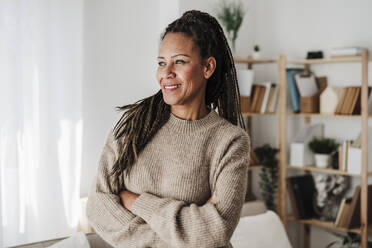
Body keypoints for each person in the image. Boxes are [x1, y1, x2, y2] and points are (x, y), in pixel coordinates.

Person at [86, 10, 251, 248]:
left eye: (179, 61)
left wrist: (136, 201)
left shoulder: (230, 141)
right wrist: (184, 234)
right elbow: (97, 206)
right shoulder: (133, 125)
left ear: (208, 67)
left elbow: (216, 232)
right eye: (162, 63)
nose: (166, 73)